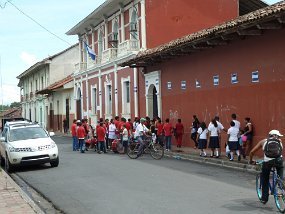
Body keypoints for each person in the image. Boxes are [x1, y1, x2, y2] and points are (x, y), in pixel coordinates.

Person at [249, 130, 284, 204]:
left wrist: (251, 160)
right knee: (280, 171)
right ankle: (280, 185)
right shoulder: (279, 141)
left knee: (264, 178)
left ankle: (264, 198)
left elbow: (252, 152)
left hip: (268, 162)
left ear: (269, 135)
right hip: (279, 161)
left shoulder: (263, 141)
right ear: (276, 136)